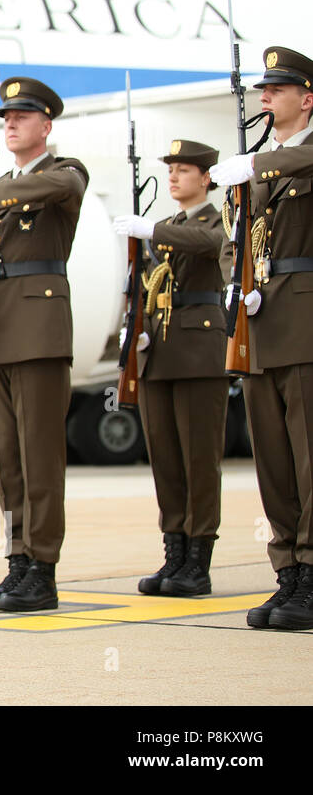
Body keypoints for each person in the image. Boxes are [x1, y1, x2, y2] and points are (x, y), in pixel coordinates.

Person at [0, 77, 89, 613]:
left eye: (23, 117)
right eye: (6, 117)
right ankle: (18, 562)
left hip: (38, 328)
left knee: (39, 457)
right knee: (7, 459)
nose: (10, 123)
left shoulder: (63, 172)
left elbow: (62, 189)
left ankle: (44, 567)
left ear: (46, 126)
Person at [212, 46, 313, 630]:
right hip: (259, 322)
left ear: (307, 96)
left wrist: (260, 169)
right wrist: (237, 283)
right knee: (272, 457)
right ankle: (289, 573)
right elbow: (234, 238)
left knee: (308, 456)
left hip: (303, 322)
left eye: (278, 88)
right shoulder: (251, 165)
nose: (265, 96)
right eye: (262, 89)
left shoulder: (286, 161)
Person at [112, 140, 227, 597]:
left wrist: (152, 230)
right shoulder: (167, 227)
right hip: (158, 351)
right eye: (172, 170)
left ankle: (199, 561)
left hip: (199, 352)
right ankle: (174, 554)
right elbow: (147, 284)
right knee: (166, 460)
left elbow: (212, 245)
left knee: (199, 459)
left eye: (185, 170)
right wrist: (133, 327)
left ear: (206, 179)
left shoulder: (216, 220)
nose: (175, 177)